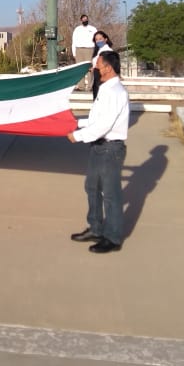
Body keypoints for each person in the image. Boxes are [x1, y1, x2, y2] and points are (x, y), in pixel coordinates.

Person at [67, 50, 129, 254]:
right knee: (92, 188)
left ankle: (112, 237)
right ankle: (95, 228)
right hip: (99, 147)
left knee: (110, 194)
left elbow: (104, 125)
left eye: (99, 65)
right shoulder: (105, 89)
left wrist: (79, 136)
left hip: (110, 148)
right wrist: (75, 123)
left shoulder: (116, 92)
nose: (96, 68)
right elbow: (97, 119)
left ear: (108, 68)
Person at [71, 13, 98, 91]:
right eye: (83, 19)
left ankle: (90, 86)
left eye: (86, 19)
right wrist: (74, 53)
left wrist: (96, 52)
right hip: (79, 50)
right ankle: (81, 86)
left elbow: (96, 40)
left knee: (90, 69)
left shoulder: (93, 29)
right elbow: (74, 41)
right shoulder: (77, 29)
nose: (85, 20)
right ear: (81, 20)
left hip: (90, 49)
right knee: (80, 69)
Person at [91, 30, 113, 100]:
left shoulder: (108, 51)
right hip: (97, 77)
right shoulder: (98, 51)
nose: (98, 41)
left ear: (105, 39)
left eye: (100, 39)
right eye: (96, 39)